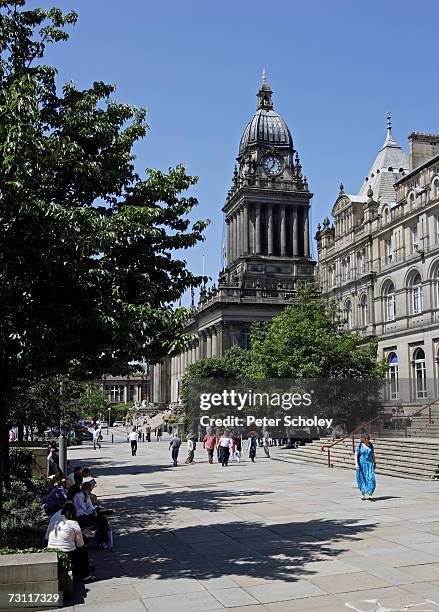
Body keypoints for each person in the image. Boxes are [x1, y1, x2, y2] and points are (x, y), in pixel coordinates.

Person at [46, 501, 94, 582]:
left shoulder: (56, 521)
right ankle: (85, 575)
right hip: (67, 552)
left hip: (51, 549)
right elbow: (80, 544)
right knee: (83, 549)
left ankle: (81, 570)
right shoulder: (73, 523)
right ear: (72, 514)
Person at [74, 482, 110, 547]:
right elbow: (83, 508)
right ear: (85, 489)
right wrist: (92, 511)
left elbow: (90, 505)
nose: (90, 491)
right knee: (100, 517)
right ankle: (103, 541)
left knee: (102, 519)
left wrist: (94, 510)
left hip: (87, 514)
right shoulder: (78, 495)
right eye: (89, 489)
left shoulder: (87, 495)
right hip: (81, 516)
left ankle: (103, 541)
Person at [355, 434, 376, 501]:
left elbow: (373, 454)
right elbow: (356, 455)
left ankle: (370, 495)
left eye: (368, 438)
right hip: (362, 464)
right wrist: (356, 465)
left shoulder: (370, 445)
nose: (367, 440)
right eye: (366, 438)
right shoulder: (360, 445)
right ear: (363, 439)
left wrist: (375, 462)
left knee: (371, 478)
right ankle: (363, 494)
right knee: (362, 479)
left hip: (369, 464)